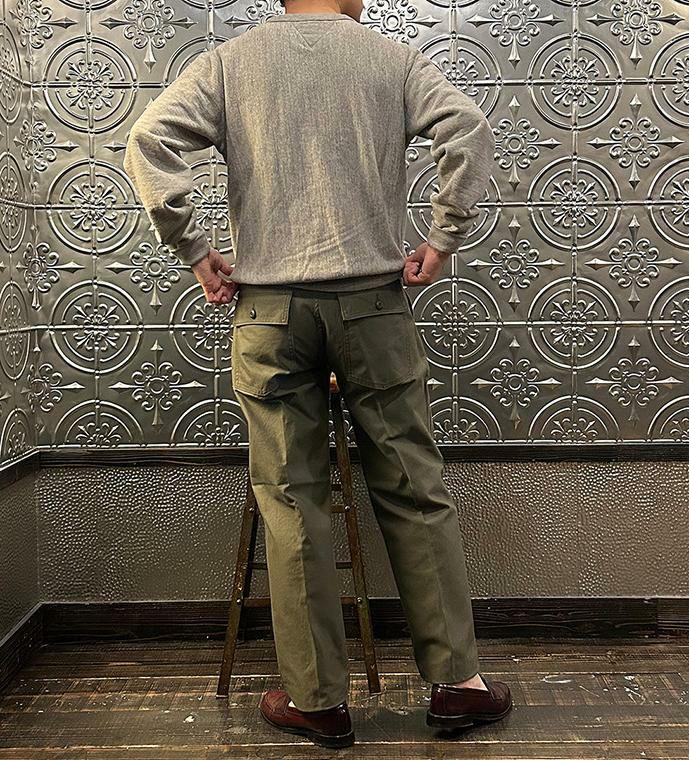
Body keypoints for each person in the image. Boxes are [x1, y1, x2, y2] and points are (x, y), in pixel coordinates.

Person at [123, 0, 511, 749]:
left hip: (270, 312)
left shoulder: (231, 62)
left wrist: (194, 248)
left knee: (292, 498)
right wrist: (443, 238)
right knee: (413, 487)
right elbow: (467, 128)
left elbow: (149, 139)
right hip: (373, 306)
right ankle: (458, 686)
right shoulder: (391, 58)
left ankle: (317, 701)